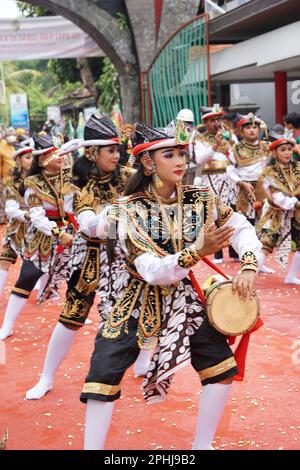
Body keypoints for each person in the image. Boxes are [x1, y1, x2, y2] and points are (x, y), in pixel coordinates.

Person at [79, 120, 262, 450]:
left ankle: (201, 446)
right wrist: (197, 251)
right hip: (134, 299)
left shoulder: (199, 198)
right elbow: (149, 269)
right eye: (169, 154)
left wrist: (248, 263)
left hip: (183, 298)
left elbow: (240, 225)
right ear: (149, 163)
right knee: (102, 377)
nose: (180, 161)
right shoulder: (127, 210)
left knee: (220, 369)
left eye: (181, 153)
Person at [25, 114, 151, 400]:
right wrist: (120, 209)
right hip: (90, 256)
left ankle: (143, 363)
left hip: (124, 252)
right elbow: (89, 225)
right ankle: (46, 376)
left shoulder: (125, 176)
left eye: (118, 150)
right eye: (111, 150)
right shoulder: (74, 184)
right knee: (73, 314)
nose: (117, 155)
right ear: (93, 153)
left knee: (141, 304)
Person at [0, 134, 77, 341]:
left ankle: (76, 314)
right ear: (42, 159)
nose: (60, 156)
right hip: (44, 235)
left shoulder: (69, 176)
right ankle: (7, 325)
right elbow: (37, 217)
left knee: (76, 276)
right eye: (54, 153)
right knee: (27, 276)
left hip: (70, 232)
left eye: (60, 152)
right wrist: (57, 233)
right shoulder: (32, 183)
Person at [193, 105, 237, 264]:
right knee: (214, 214)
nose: (217, 123)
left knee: (230, 212)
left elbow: (234, 158)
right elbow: (200, 159)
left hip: (227, 179)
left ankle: (234, 252)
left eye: (218, 119)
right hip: (209, 179)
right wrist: (216, 145)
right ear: (206, 123)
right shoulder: (200, 139)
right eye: (213, 120)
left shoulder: (230, 137)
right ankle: (217, 254)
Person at [257, 138, 300, 284]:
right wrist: (297, 203)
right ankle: (248, 273)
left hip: (295, 213)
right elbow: (279, 199)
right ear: (275, 153)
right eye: (283, 150)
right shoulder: (270, 173)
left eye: (289, 149)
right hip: (276, 212)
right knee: (267, 244)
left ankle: (291, 276)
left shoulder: (298, 167)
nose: (287, 153)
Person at [0, 143, 33, 301]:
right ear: (18, 160)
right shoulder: (11, 181)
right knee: (5, 260)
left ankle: (42, 295)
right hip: (17, 228)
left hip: (38, 228)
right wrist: (26, 215)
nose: (32, 160)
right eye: (28, 157)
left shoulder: (41, 179)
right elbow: (10, 209)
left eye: (33, 157)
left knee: (42, 265)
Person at [0, 128, 17, 224]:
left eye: (13, 133)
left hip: (16, 178)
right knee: (5, 199)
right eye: (10, 134)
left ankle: (11, 217)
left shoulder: (14, 146)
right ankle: (3, 217)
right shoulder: (2, 146)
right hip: (5, 178)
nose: (12, 136)